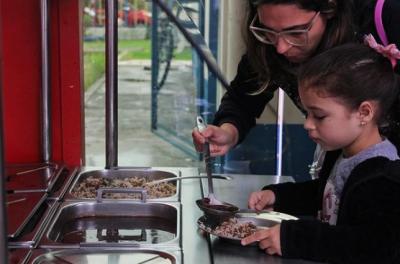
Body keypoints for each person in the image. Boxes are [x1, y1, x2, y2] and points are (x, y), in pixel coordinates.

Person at [241, 42, 400, 263]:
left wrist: (293, 239)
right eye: (307, 113)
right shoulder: (342, 153)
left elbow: (372, 246)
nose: (307, 124)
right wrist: (278, 197)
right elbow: (326, 194)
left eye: (319, 116)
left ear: (364, 112)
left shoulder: (384, 177)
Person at [192, 0, 400, 161]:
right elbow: (243, 98)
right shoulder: (270, 48)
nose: (281, 47)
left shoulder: (384, 17)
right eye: (269, 31)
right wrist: (228, 132)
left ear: (330, 8)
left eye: (296, 32)